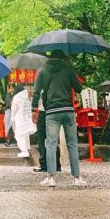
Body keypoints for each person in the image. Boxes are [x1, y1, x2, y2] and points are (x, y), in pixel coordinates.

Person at [32, 49, 84, 187]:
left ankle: (51, 178)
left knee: (51, 143)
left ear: (50, 57)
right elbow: (79, 88)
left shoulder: (42, 70)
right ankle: (77, 178)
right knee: (72, 143)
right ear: (62, 58)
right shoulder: (68, 69)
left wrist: (33, 109)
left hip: (52, 112)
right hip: (67, 109)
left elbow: (36, 91)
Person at [11, 84, 34, 158]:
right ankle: (26, 149)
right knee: (25, 135)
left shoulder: (16, 98)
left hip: (20, 119)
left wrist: (12, 119)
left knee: (19, 135)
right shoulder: (28, 96)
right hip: (27, 118)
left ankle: (24, 151)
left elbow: (14, 110)